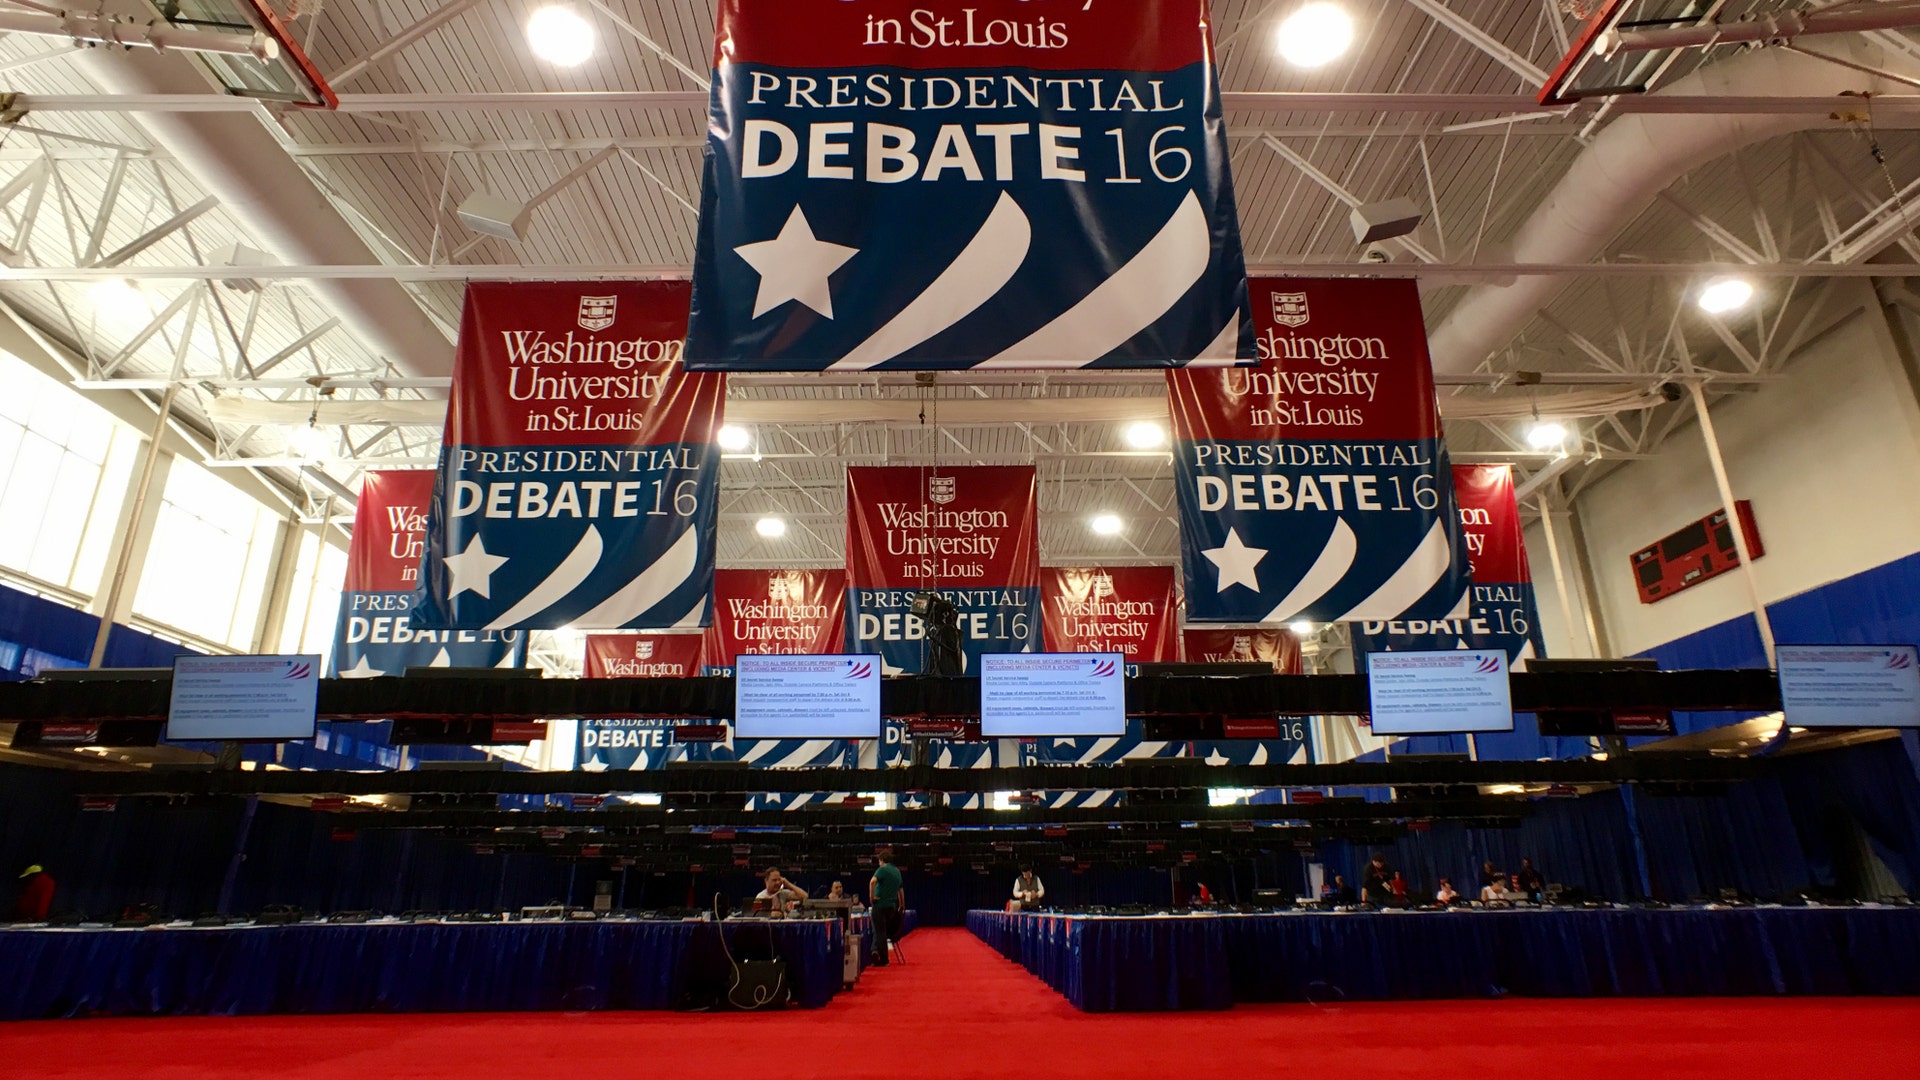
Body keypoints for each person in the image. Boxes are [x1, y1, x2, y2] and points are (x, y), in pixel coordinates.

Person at [868, 851, 905, 966]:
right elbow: (901, 890)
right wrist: (902, 905)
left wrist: (872, 897)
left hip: (880, 905)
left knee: (879, 932)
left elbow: (872, 881)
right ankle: (874, 950)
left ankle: (883, 960)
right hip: (891, 907)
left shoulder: (882, 869)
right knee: (880, 931)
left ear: (882, 860)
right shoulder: (897, 871)